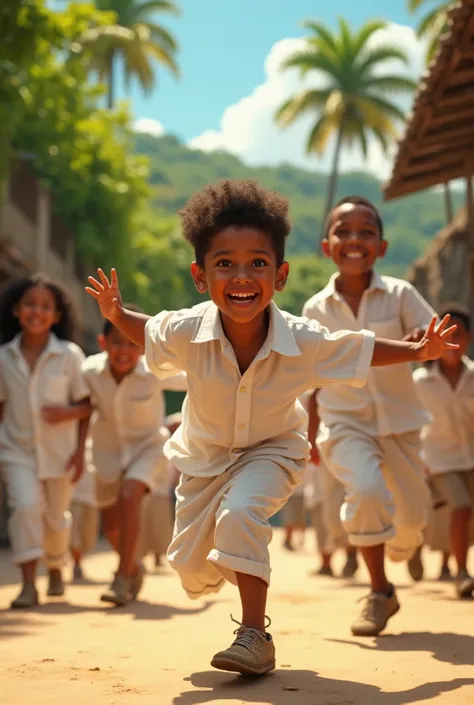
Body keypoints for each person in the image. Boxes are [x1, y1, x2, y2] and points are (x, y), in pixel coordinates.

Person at [85, 179, 457, 675]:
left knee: (241, 515)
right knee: (190, 569)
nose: (243, 276)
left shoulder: (304, 339)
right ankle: (229, 567)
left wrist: (417, 352)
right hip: (204, 458)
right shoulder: (185, 329)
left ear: (280, 275)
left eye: (258, 263)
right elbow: (146, 328)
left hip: (273, 450)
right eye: (225, 264)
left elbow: (362, 349)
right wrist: (116, 312)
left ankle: (254, 636)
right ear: (201, 275)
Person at [303, 196, 441, 637]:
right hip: (345, 423)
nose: (354, 239)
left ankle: (404, 544)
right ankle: (379, 591)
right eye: (343, 231)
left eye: (366, 232)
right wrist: (309, 436)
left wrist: (424, 341)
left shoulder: (401, 294)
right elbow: (312, 380)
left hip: (400, 424)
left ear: (381, 247)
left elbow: (435, 339)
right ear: (327, 246)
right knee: (363, 491)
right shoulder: (315, 310)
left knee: (414, 520)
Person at [81, 307, 187, 606]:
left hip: (148, 448)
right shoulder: (88, 371)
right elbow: (77, 401)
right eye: (117, 342)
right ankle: (133, 566)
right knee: (112, 526)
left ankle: (120, 578)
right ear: (103, 343)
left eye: (132, 343)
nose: (124, 351)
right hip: (105, 454)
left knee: (130, 496)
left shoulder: (156, 371)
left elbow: (198, 378)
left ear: (143, 348)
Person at [0, 274, 91, 608]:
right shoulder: (3, 358)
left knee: (55, 519)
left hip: (61, 455)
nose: (36, 312)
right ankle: (27, 584)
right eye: (29, 305)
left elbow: (87, 405)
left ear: (57, 315)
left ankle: (55, 565)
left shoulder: (70, 356)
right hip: (15, 450)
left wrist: (80, 450)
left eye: (45, 307)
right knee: (24, 508)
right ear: (15, 309)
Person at [413, 303, 474, 598]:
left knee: (460, 514)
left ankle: (439, 556)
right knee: (460, 508)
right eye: (446, 335)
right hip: (437, 460)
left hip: (470, 458)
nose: (453, 342)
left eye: (459, 334)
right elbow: (409, 423)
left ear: (469, 339)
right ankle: (462, 573)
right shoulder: (419, 382)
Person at [307, 390, 359, 579]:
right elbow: (314, 399)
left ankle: (351, 552)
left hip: (352, 445)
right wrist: (312, 442)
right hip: (326, 450)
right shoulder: (316, 384)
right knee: (327, 504)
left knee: (349, 498)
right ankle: (332, 559)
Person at [70, 437, 99, 581]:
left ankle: (78, 563)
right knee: (74, 536)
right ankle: (76, 564)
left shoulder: (98, 445)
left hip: (92, 499)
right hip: (74, 497)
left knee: (86, 537)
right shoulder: (70, 444)